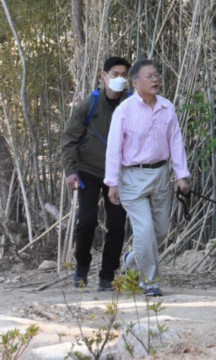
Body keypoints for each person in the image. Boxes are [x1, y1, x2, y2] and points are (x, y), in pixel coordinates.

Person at [104, 59, 190, 297]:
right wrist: (112, 182)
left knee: (160, 232)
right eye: (150, 76)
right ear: (136, 82)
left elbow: (175, 141)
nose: (155, 80)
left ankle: (131, 260)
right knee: (144, 233)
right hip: (132, 177)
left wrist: (181, 175)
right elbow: (114, 148)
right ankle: (149, 281)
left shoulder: (166, 107)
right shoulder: (125, 110)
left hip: (161, 174)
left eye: (157, 76)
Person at [61, 55, 131, 291]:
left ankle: (107, 275)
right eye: (115, 75)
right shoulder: (88, 105)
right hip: (89, 170)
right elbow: (69, 139)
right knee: (87, 221)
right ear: (103, 75)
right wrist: (70, 171)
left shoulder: (132, 104)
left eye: (124, 76)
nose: (119, 80)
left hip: (119, 175)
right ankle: (81, 271)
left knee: (117, 224)